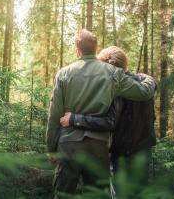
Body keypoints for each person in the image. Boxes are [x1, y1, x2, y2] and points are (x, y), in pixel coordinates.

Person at [46, 30, 157, 196]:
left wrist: (51, 148)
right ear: (96, 49)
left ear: (77, 50)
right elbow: (143, 92)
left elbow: (55, 115)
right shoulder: (114, 74)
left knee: (63, 194)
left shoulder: (64, 74)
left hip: (68, 143)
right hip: (100, 145)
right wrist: (149, 79)